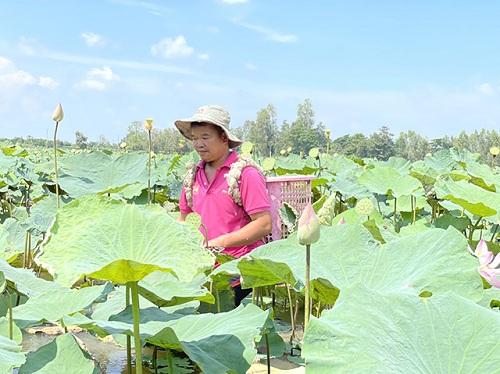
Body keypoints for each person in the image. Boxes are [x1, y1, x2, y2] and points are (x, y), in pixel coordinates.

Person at [175, 105, 272, 306]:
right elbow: (183, 220)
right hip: (201, 272)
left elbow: (263, 224)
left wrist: (220, 243)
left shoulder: (245, 174)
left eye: (205, 137)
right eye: (194, 138)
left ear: (224, 138)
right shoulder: (192, 177)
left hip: (239, 274)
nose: (198, 144)